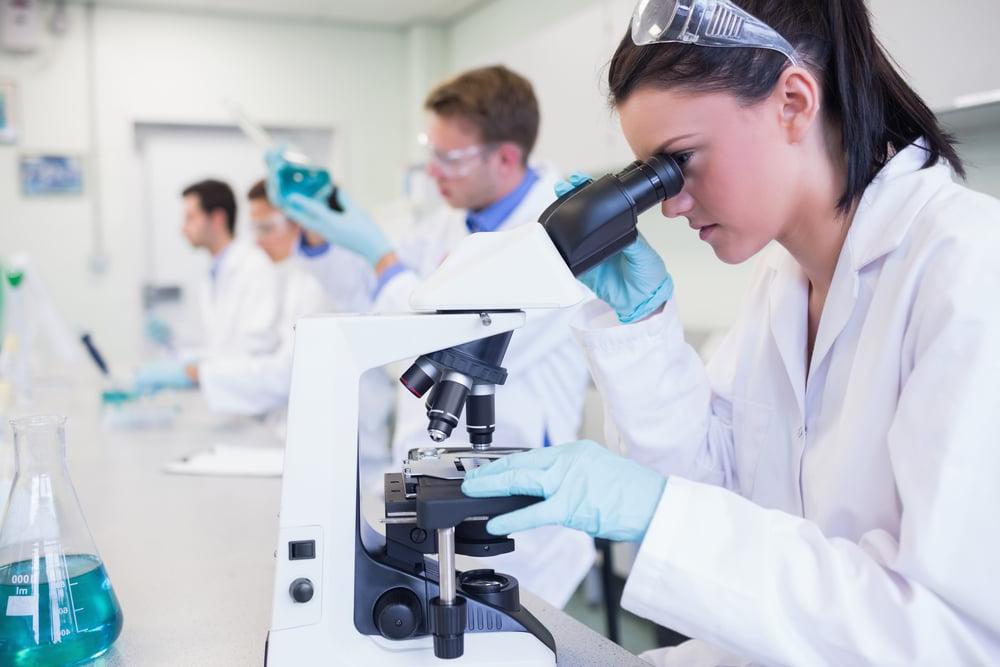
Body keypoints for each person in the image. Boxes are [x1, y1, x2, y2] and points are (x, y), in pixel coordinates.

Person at [461, 1, 1000, 664]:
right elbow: (717, 490)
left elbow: (948, 636)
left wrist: (657, 512)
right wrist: (642, 326)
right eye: (650, 173)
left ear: (794, 102)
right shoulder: (782, 281)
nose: (669, 202)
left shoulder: (971, 276)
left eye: (679, 161)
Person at [266, 66, 594, 609]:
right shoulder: (445, 223)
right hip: (434, 484)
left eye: (451, 159)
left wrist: (383, 256)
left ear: (506, 157)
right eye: (431, 154)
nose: (434, 173)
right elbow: (372, 299)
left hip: (520, 527)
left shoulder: (557, 245)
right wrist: (323, 229)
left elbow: (455, 343)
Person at [191, 180, 394, 450]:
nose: (258, 240)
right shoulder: (294, 274)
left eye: (266, 227)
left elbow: (287, 374)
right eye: (255, 228)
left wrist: (201, 374)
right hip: (312, 435)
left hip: (350, 445)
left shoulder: (328, 280)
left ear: (304, 222)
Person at [136, 179, 280, 393]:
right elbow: (217, 345)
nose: (183, 228)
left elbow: (254, 353)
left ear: (217, 218)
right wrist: (173, 342)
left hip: (254, 401)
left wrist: (191, 373)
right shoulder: (214, 273)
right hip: (231, 397)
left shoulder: (255, 268)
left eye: (190, 218)